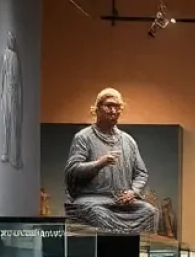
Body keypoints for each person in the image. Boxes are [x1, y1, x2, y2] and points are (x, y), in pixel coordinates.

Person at [63, 88, 158, 233]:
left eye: (117, 107)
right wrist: (99, 163)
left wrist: (132, 192)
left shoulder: (128, 141)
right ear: (97, 109)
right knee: (98, 214)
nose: (113, 111)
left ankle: (136, 252)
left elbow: (141, 173)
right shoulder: (84, 137)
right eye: (109, 106)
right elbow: (72, 171)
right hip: (93, 200)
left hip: (122, 202)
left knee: (149, 212)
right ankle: (105, 253)